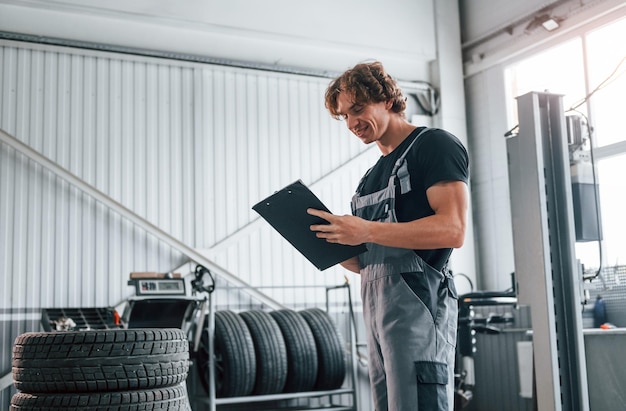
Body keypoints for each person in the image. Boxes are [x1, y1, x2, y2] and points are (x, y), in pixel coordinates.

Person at [308, 61, 469, 411]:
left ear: (386, 99)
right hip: (378, 315)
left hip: (419, 311)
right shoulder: (368, 178)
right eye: (344, 116)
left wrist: (364, 228)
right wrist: (325, 243)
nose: (352, 123)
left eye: (358, 109)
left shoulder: (434, 145)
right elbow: (368, 262)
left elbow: (453, 229)